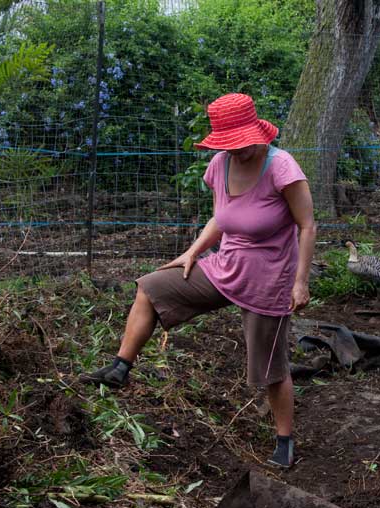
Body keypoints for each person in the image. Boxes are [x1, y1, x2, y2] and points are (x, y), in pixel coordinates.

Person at [81, 93, 316, 469]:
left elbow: (307, 225)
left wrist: (300, 281)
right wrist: (194, 251)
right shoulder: (220, 165)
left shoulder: (282, 167)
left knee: (269, 369)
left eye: (239, 144)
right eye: (227, 144)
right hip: (224, 266)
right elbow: (222, 218)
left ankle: (284, 442)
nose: (234, 151)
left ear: (257, 133)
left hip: (269, 279)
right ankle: (120, 368)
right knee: (151, 286)